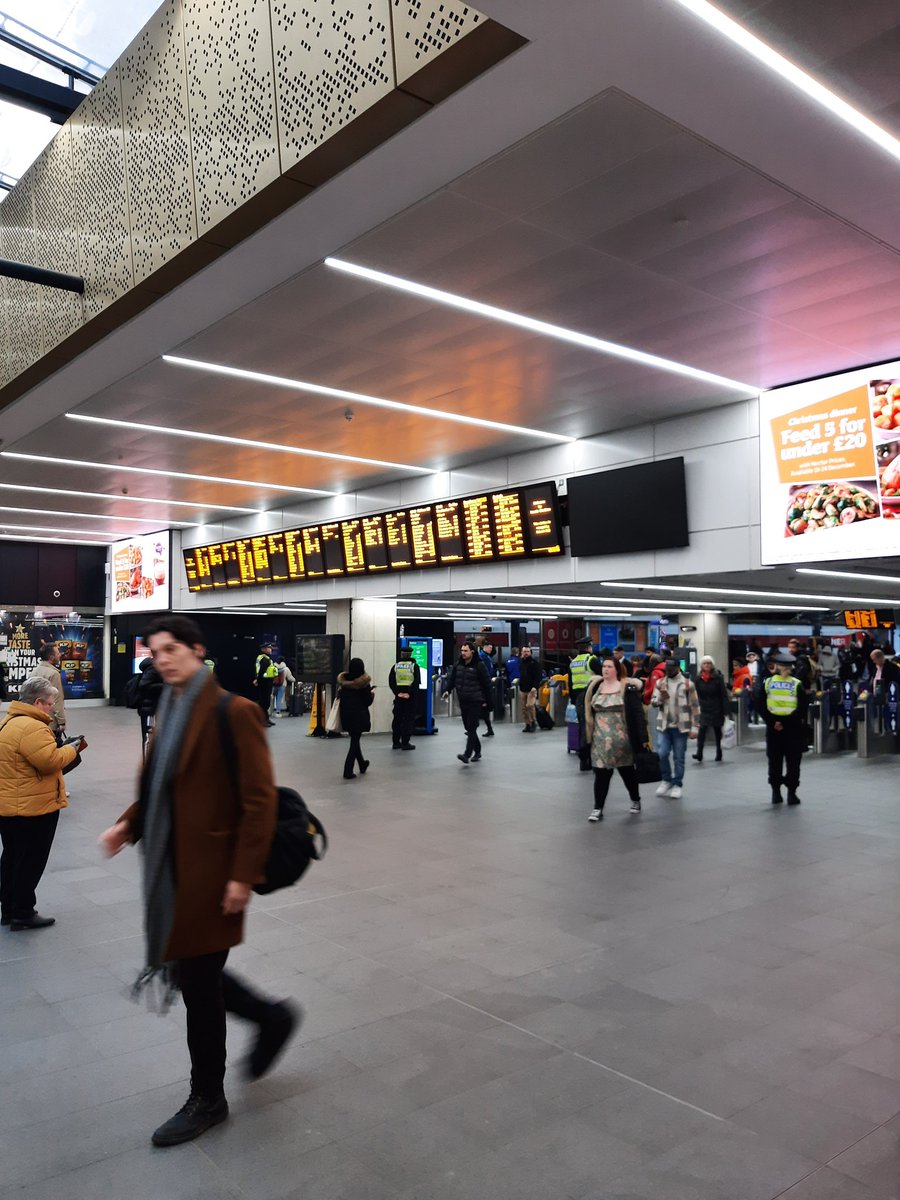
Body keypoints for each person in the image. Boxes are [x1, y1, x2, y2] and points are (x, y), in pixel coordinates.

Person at [99, 614, 297, 1148]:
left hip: (213, 876)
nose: (161, 659)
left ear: (196, 651)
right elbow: (166, 787)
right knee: (196, 975)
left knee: (198, 984)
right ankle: (272, 1016)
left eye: (171, 650)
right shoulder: (170, 708)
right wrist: (129, 824)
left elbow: (258, 803)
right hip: (174, 870)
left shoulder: (235, 712)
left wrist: (241, 877)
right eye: (155, 651)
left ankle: (207, 1096)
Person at [0, 676, 86, 930]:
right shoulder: (33, 727)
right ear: (38, 702)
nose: (51, 707)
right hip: (32, 807)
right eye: (49, 703)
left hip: (11, 803)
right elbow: (49, 761)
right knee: (30, 860)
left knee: (12, 857)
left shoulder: (10, 721)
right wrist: (74, 748)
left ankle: (9, 908)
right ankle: (23, 912)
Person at [584, 657, 647, 821]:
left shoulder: (627, 688)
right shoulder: (595, 686)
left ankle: (635, 799)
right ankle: (597, 808)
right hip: (599, 739)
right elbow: (586, 709)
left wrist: (643, 737)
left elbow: (638, 714)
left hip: (622, 739)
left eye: (609, 666)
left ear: (617, 669)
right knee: (601, 775)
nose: (605, 669)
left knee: (627, 773)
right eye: (604, 666)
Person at [761, 651, 807, 805]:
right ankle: (792, 794)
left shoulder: (767, 683)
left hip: (774, 730)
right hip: (793, 730)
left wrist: (773, 722)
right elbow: (802, 709)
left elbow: (760, 705)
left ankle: (776, 793)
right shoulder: (797, 684)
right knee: (793, 762)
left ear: (777, 667)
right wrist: (786, 722)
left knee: (774, 761)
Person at [650, 659, 700, 799]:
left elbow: (695, 707)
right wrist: (660, 698)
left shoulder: (687, 684)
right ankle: (666, 780)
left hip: (681, 727)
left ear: (678, 668)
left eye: (671, 668)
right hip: (664, 725)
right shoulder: (660, 683)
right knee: (662, 753)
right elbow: (653, 702)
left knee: (679, 757)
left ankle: (677, 783)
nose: (668, 671)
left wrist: (695, 727)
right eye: (667, 668)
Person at [443, 641, 491, 765]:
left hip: (476, 700)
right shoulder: (458, 665)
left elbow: (487, 684)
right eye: (462, 651)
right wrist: (447, 690)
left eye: (466, 651)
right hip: (463, 700)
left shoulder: (479, 665)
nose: (463, 653)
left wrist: (487, 702)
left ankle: (467, 754)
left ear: (472, 652)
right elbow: (452, 680)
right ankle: (478, 750)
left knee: (471, 727)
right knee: (468, 727)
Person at [337, 657, 374, 779]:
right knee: (354, 741)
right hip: (359, 715)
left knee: (355, 739)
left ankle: (362, 764)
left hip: (346, 714)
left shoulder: (344, 683)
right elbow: (367, 701)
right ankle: (347, 770)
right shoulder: (363, 684)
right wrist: (371, 694)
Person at [692, 654, 730, 763]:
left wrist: (726, 710)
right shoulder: (698, 679)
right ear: (701, 665)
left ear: (712, 665)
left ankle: (719, 751)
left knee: (718, 731)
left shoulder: (718, 678)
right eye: (704, 663)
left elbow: (723, 694)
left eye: (708, 663)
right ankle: (699, 753)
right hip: (703, 708)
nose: (707, 665)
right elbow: (695, 694)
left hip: (716, 708)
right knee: (702, 731)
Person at [567, 636, 595, 772]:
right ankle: (589, 757)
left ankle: (583, 759)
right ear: (589, 647)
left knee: (582, 726)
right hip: (590, 696)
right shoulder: (591, 659)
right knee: (591, 727)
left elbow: (570, 683)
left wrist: (573, 699)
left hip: (578, 698)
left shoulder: (573, 663)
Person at [32, 643, 66, 741]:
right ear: (51, 657)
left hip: (35, 717)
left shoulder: (34, 672)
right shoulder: (54, 674)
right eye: (58, 653)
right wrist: (61, 721)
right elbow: (57, 699)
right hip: (50, 720)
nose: (60, 655)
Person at [389, 646, 420, 750]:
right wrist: (410, 694)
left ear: (401, 654)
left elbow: (391, 681)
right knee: (408, 719)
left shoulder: (396, 666)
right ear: (410, 654)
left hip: (398, 698)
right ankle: (405, 743)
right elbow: (416, 683)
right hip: (409, 699)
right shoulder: (414, 666)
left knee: (397, 719)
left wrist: (397, 693)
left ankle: (396, 742)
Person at [137, 656, 164, 755]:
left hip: (154, 707)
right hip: (150, 709)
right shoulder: (153, 668)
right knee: (149, 737)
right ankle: (147, 763)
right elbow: (143, 685)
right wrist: (165, 686)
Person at [252, 643, 277, 727]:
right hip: (264, 682)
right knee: (264, 702)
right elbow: (261, 671)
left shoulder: (266, 658)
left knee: (266, 702)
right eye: (269, 648)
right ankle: (262, 720)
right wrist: (257, 680)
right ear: (264, 649)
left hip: (267, 682)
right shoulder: (264, 659)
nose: (271, 649)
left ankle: (266, 718)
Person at [518, 644, 541, 732]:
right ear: (522, 652)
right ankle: (527, 724)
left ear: (530, 653)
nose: (526, 653)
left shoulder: (535, 663)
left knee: (530, 706)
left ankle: (533, 722)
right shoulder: (521, 662)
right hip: (523, 688)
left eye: (527, 651)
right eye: (524, 651)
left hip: (531, 689)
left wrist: (535, 686)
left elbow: (538, 676)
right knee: (524, 708)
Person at [477, 641, 497, 737]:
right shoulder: (483, 657)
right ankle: (488, 728)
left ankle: (488, 729)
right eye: (489, 647)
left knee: (481, 709)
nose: (491, 649)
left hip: (485, 685)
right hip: (484, 684)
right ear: (484, 647)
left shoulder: (486, 656)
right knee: (480, 709)